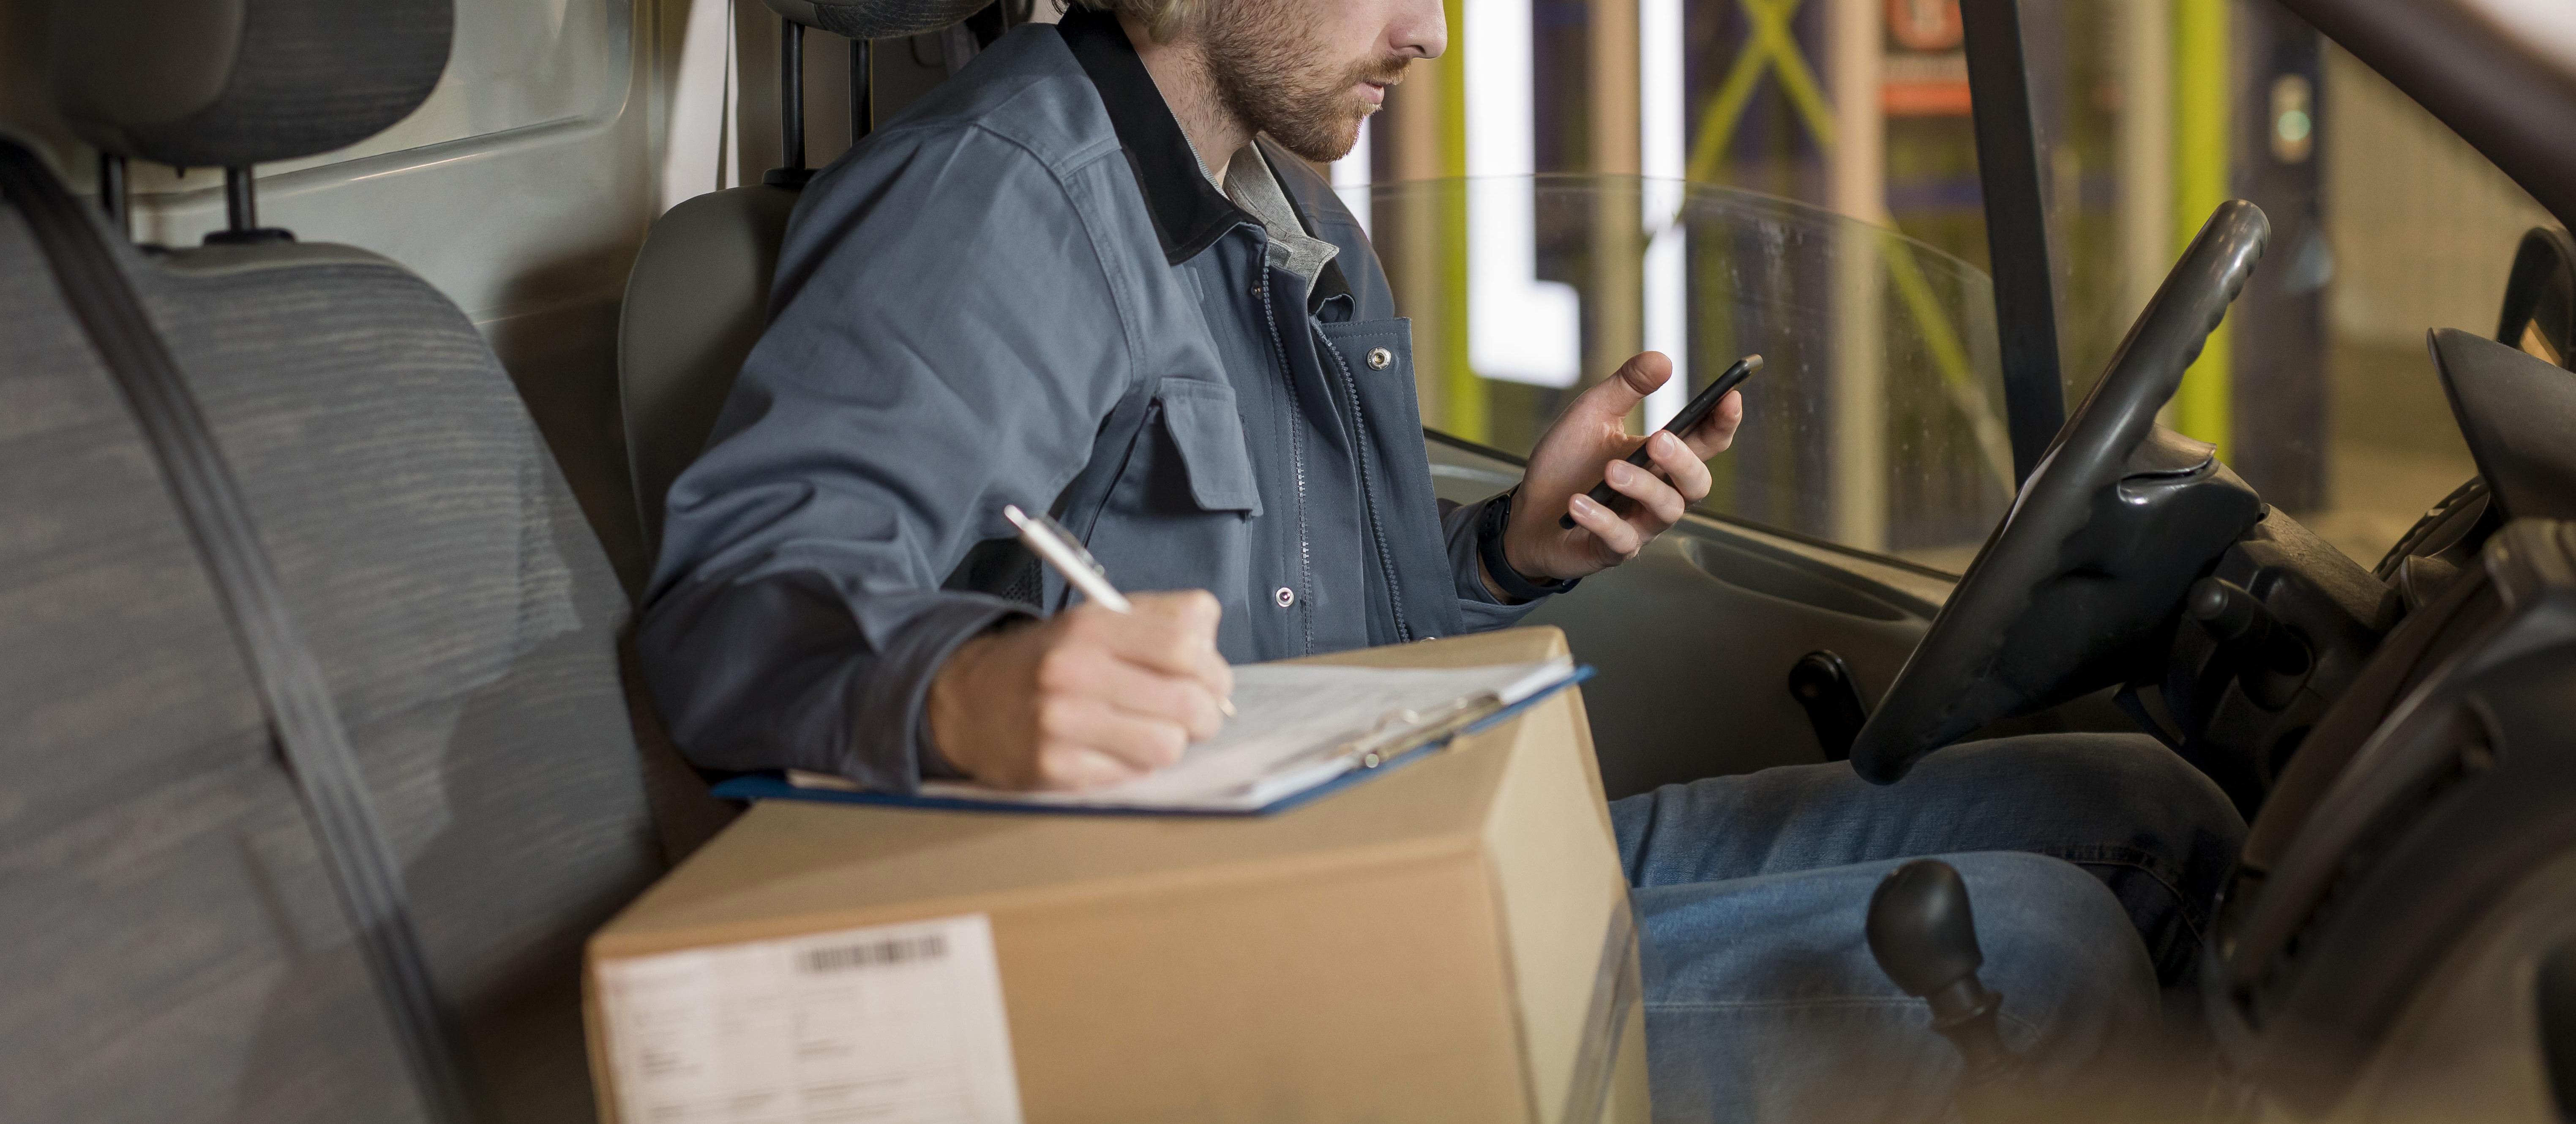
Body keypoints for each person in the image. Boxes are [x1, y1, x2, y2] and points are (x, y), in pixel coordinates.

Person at [637, 0, 2246, 1116]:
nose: (1432, 35)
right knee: (2039, 959)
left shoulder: (1293, 219)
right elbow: (731, 606)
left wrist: (1504, 555)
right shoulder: (1003, 202)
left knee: (2148, 818)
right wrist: (963, 697)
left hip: (1419, 841)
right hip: (1243, 979)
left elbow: (1352, 662)